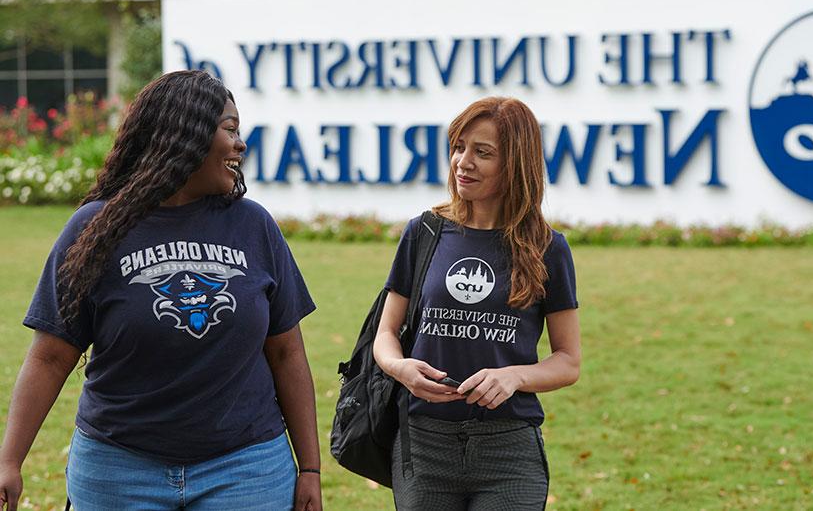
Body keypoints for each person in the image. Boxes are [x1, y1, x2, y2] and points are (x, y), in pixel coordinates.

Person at [0, 70, 322, 511]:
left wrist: (310, 469)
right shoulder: (96, 228)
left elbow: (286, 352)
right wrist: (10, 460)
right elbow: (51, 355)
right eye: (229, 129)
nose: (240, 144)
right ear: (185, 135)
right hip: (118, 469)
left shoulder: (254, 225)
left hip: (247, 468)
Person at [373, 96, 581, 510]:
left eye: (482, 153)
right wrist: (402, 370)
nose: (462, 162)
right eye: (459, 147)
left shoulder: (547, 247)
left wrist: (515, 378)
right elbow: (385, 334)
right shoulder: (425, 233)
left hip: (508, 448)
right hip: (424, 444)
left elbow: (569, 361)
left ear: (516, 163)